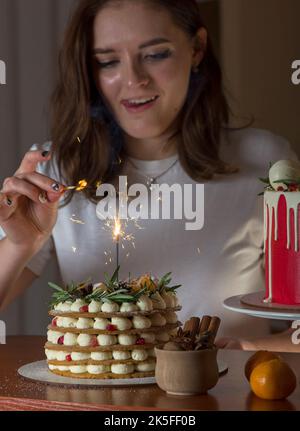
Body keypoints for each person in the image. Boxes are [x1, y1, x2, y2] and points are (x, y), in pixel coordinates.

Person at [0, 0, 298, 351]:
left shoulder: (264, 164)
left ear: (197, 48)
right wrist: (20, 244)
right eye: (108, 61)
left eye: (156, 54)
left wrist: (244, 348)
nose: (133, 79)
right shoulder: (55, 173)